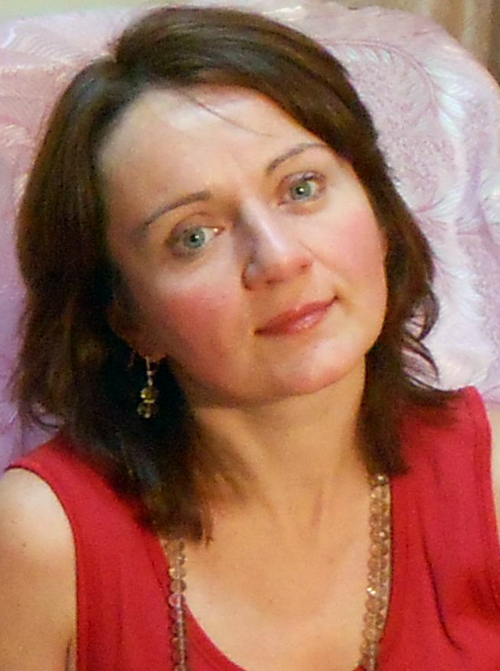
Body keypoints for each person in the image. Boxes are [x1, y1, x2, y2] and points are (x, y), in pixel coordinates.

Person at [0, 5, 499, 670]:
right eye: (193, 236)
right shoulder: (43, 542)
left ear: (380, 213)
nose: (280, 258)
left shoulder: (489, 477)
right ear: (128, 317)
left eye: (302, 187)